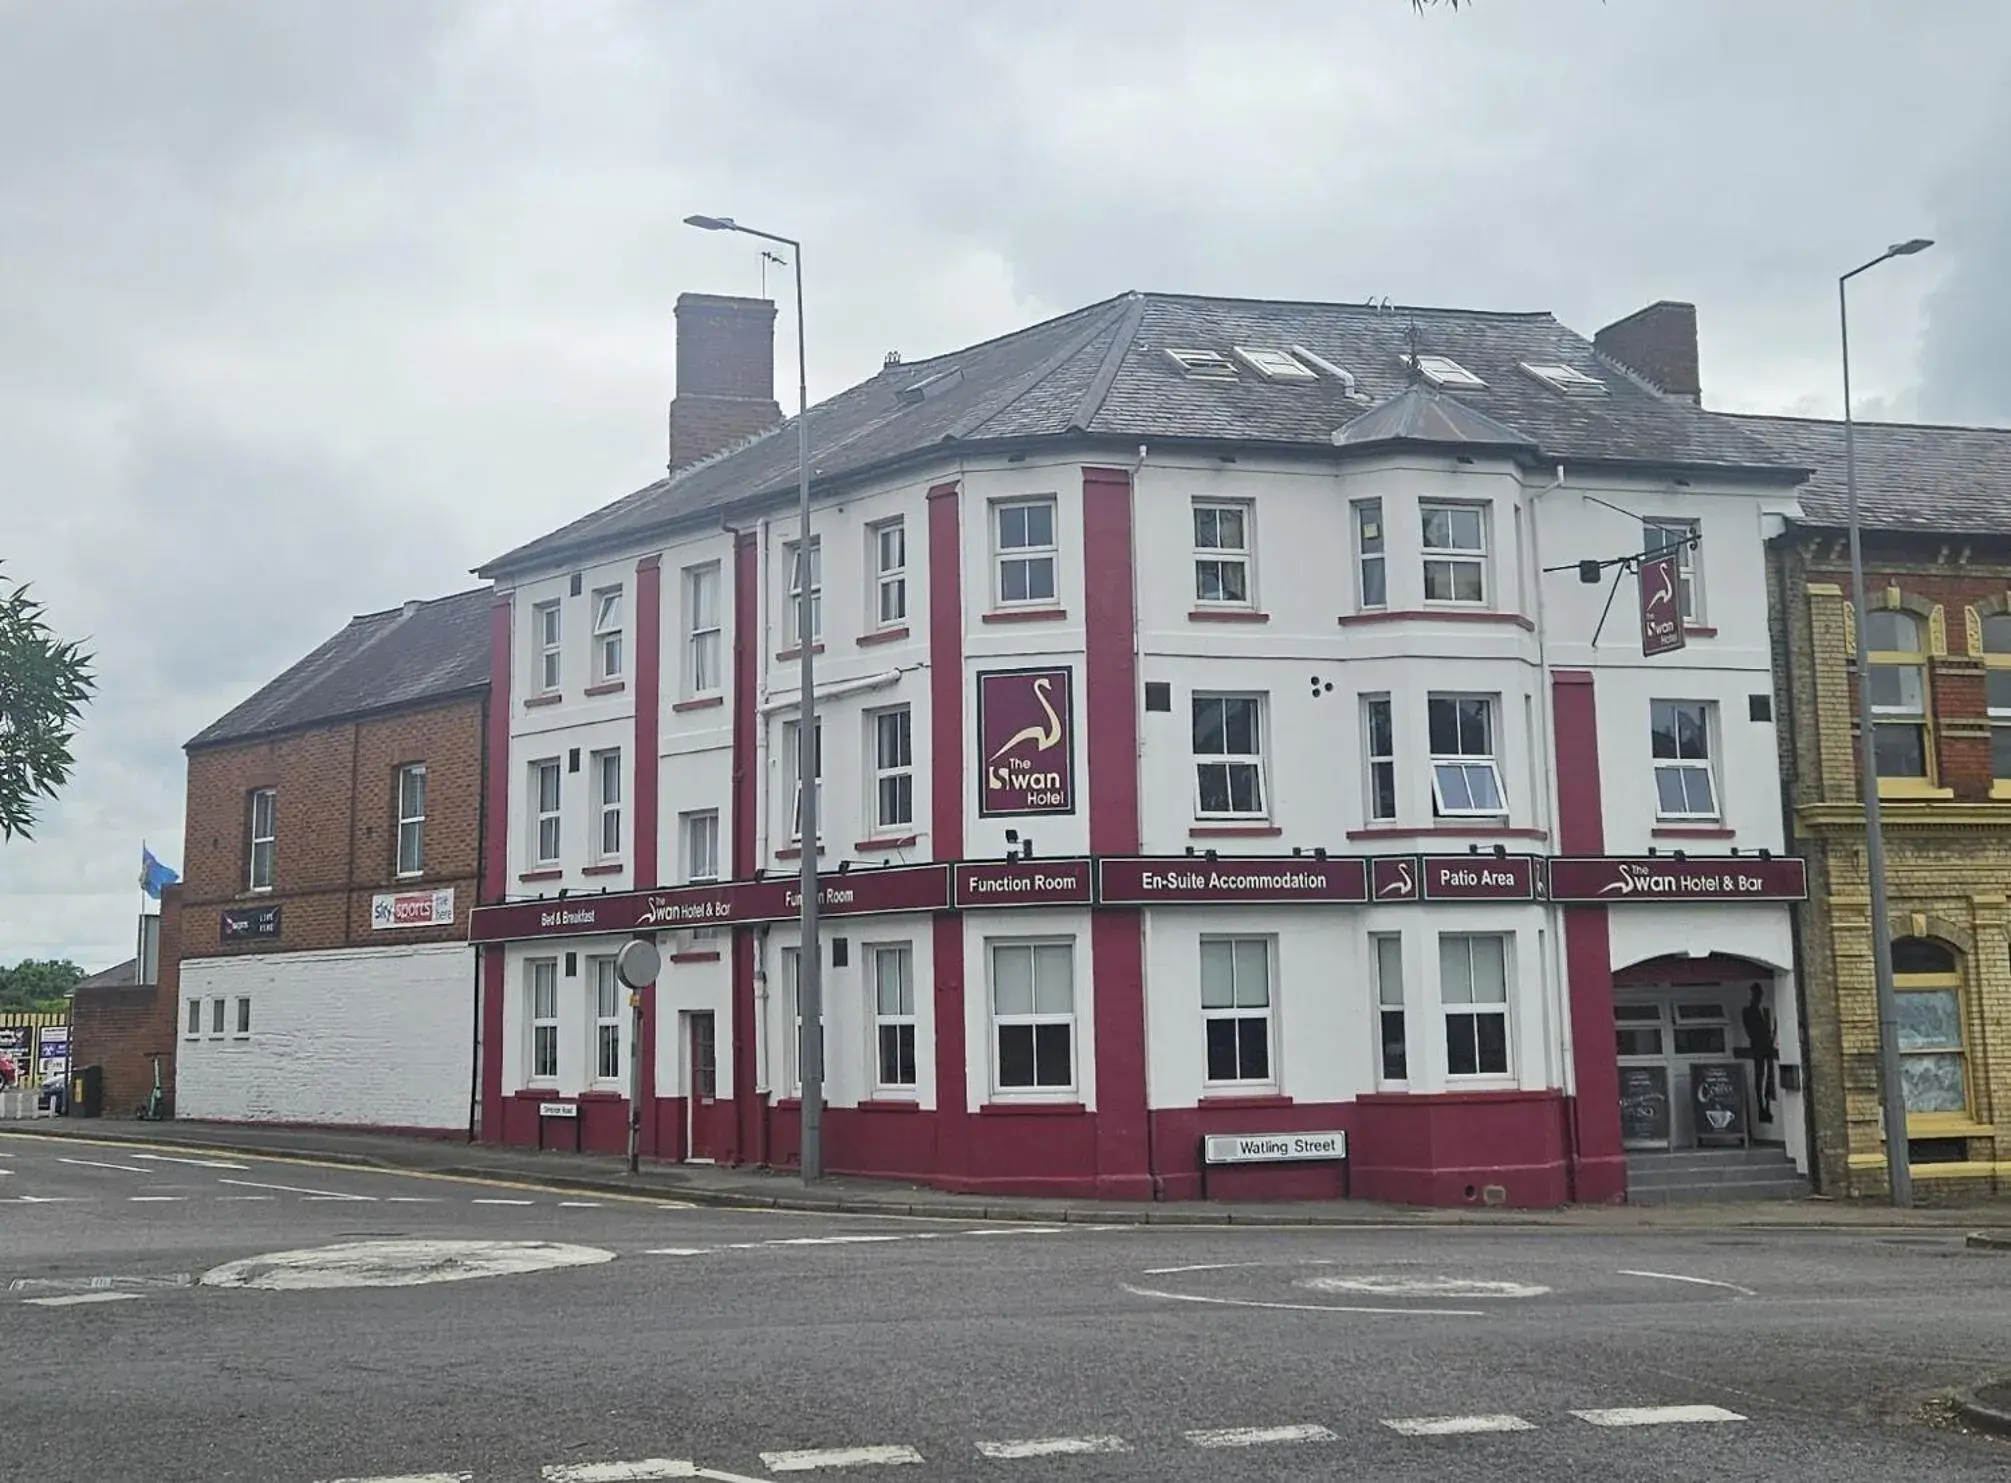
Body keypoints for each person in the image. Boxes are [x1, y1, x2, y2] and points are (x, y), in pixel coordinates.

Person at [1742, 984, 1778, 1123]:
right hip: (1758, 1047)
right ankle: (1761, 1107)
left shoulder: (1764, 1010)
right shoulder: (1748, 1011)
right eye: (1756, 994)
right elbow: (1751, 1031)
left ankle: (1767, 1106)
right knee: (1759, 1076)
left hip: (1767, 1047)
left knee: (1769, 1077)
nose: (1758, 997)